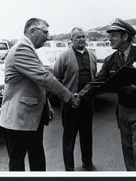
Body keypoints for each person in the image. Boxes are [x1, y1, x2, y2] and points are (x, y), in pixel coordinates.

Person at [0, 18, 80, 171]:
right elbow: (44, 77)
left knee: (37, 159)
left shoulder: (29, 49)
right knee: (18, 163)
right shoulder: (22, 48)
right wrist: (69, 97)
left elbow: (35, 82)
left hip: (29, 117)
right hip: (18, 119)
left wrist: (46, 104)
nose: (48, 37)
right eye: (45, 32)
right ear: (33, 31)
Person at [79, 18, 136, 171]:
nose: (109, 39)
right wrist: (81, 95)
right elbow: (97, 81)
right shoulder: (111, 59)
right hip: (123, 111)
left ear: (125, 37)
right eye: (109, 35)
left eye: (113, 35)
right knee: (128, 150)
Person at [53, 27, 97, 171]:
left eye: (83, 36)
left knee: (87, 135)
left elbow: (94, 77)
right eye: (78, 37)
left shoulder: (91, 55)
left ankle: (87, 163)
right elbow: (56, 79)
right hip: (70, 104)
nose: (81, 40)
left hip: (87, 103)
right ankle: (69, 169)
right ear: (71, 40)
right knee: (69, 138)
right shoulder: (64, 56)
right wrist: (67, 96)